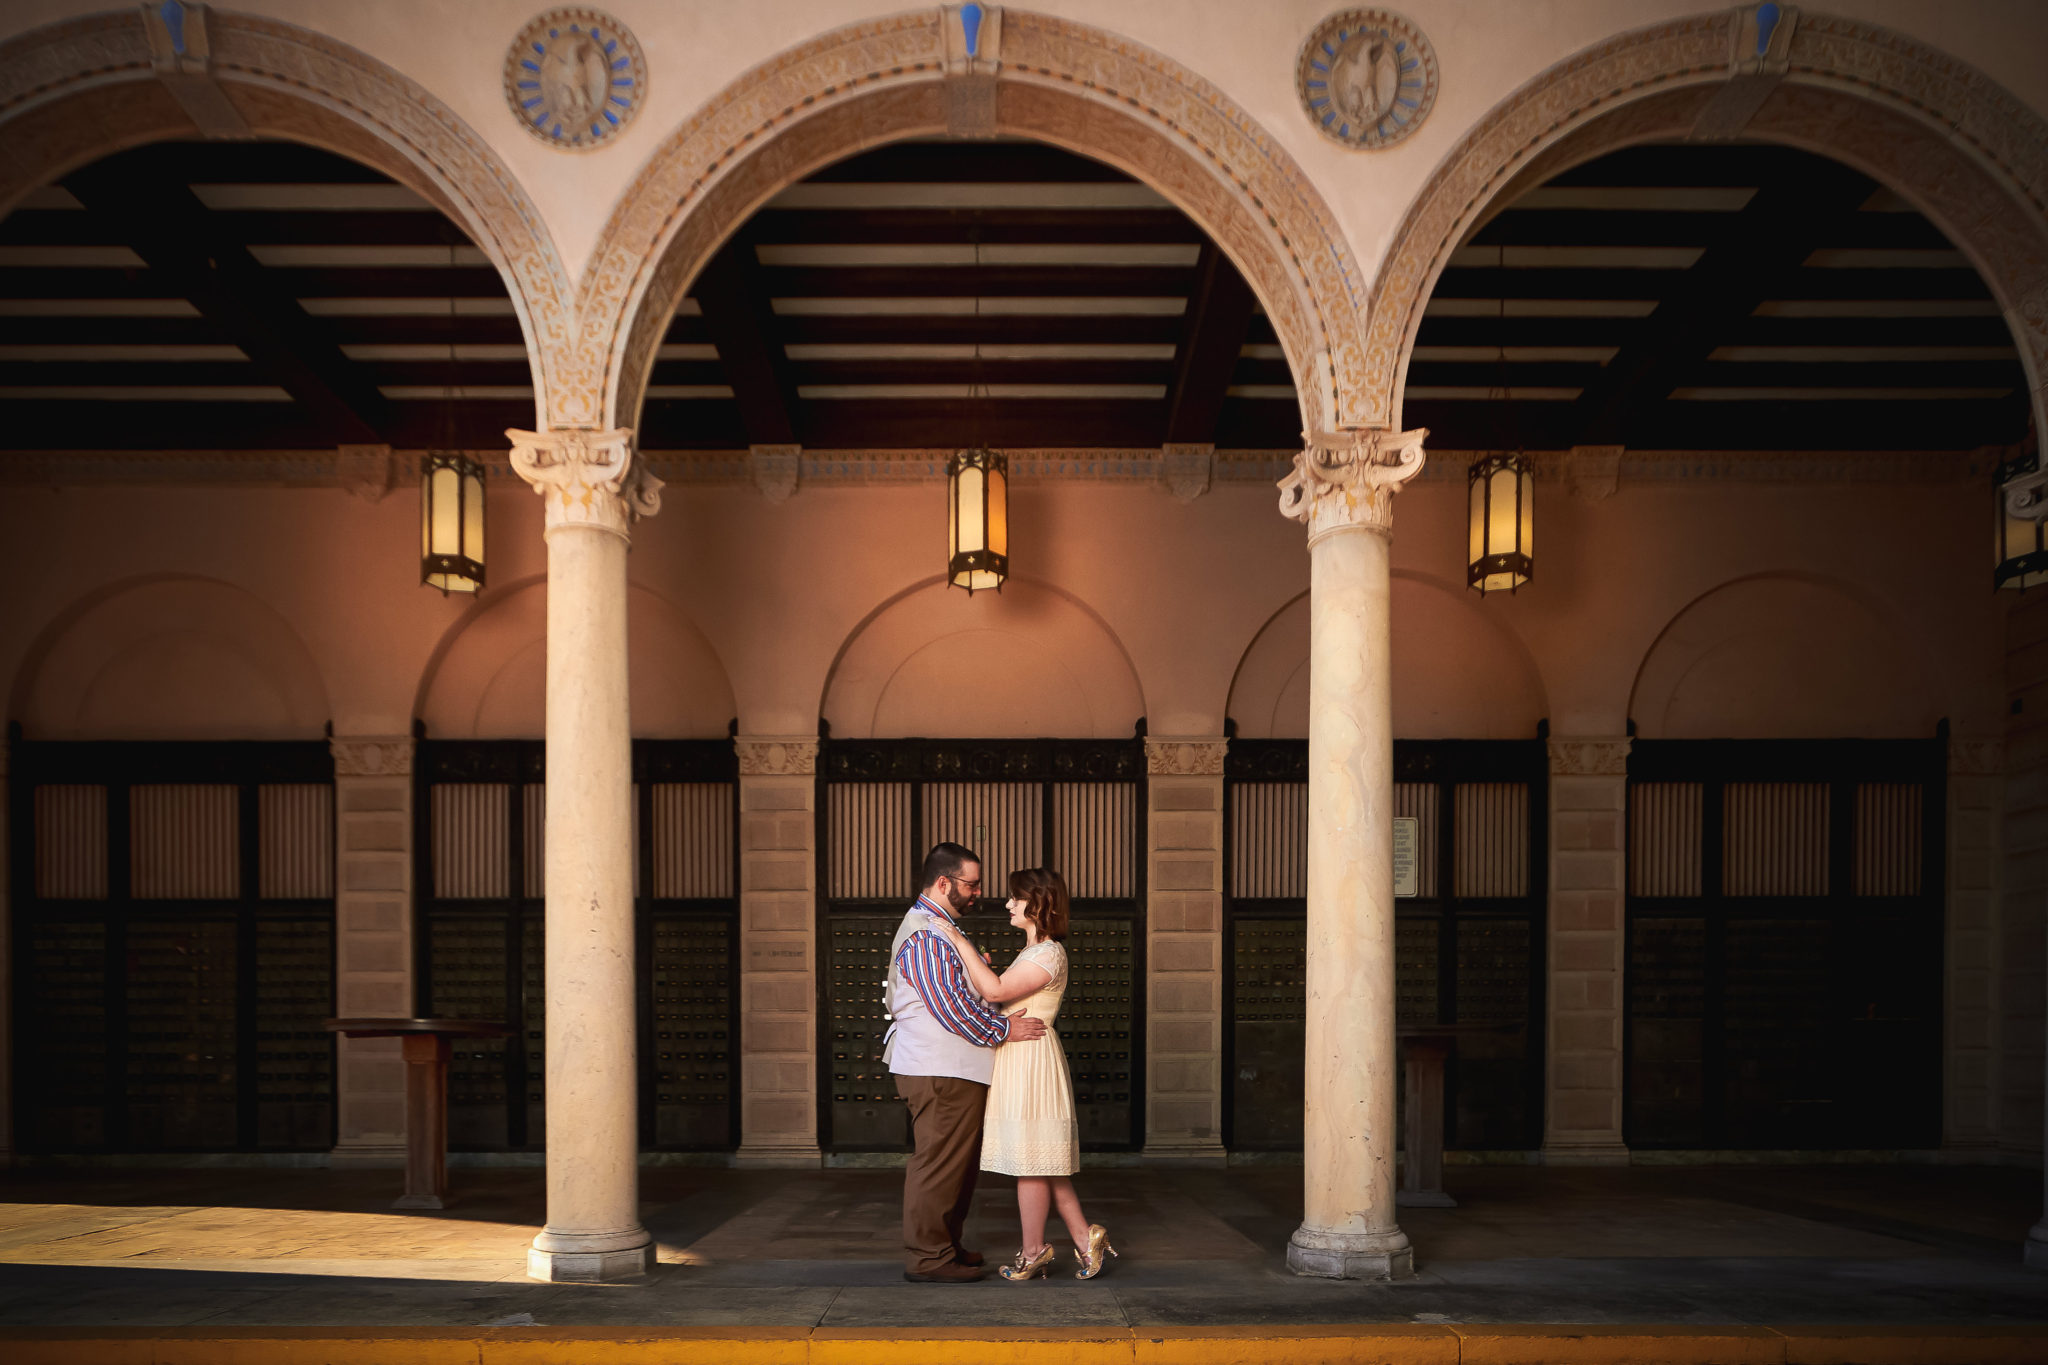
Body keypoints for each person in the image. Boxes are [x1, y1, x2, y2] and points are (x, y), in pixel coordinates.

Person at [931, 866, 1117, 1281]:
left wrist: (957, 941)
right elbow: (995, 993)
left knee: (1030, 1161)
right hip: (1020, 1055)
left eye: (1017, 898)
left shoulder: (1048, 953)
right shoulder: (1033, 952)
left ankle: (1035, 1251)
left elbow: (995, 993)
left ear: (1039, 903)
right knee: (1044, 1159)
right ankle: (1085, 1238)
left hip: (1031, 1058)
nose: (1008, 904)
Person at [883, 841, 1048, 1283]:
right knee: (937, 1164)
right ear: (943, 882)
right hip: (940, 1070)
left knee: (954, 1165)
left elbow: (953, 992)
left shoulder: (939, 928)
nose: (978, 893)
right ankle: (929, 1258)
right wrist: (1004, 1030)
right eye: (970, 885)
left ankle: (945, 1246)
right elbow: (948, 1006)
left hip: (951, 1068)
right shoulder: (926, 931)